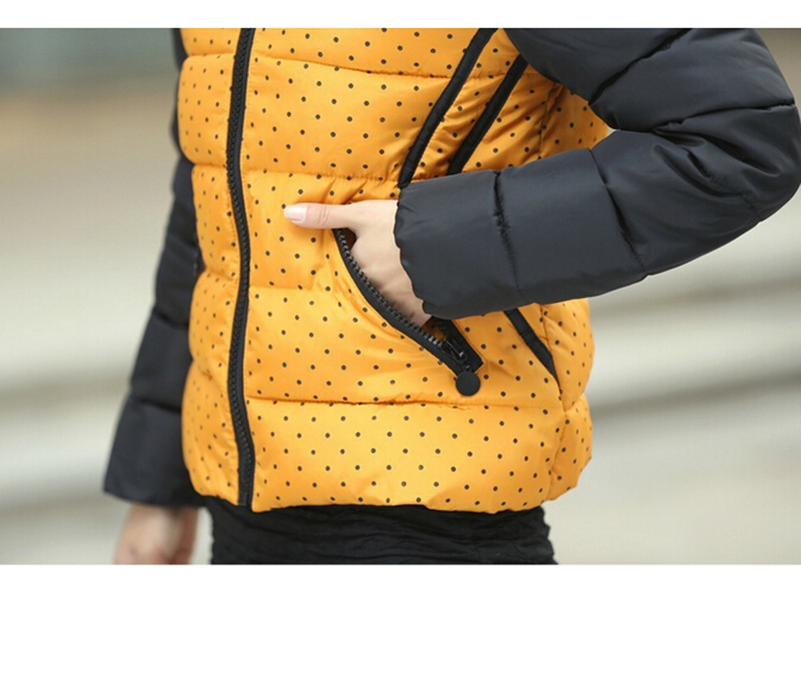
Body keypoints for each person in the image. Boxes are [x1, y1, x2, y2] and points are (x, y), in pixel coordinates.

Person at [104, 28, 801, 564]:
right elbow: (215, 202)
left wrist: (434, 247)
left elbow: (738, 138)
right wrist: (161, 481)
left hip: (428, 501)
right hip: (241, 502)